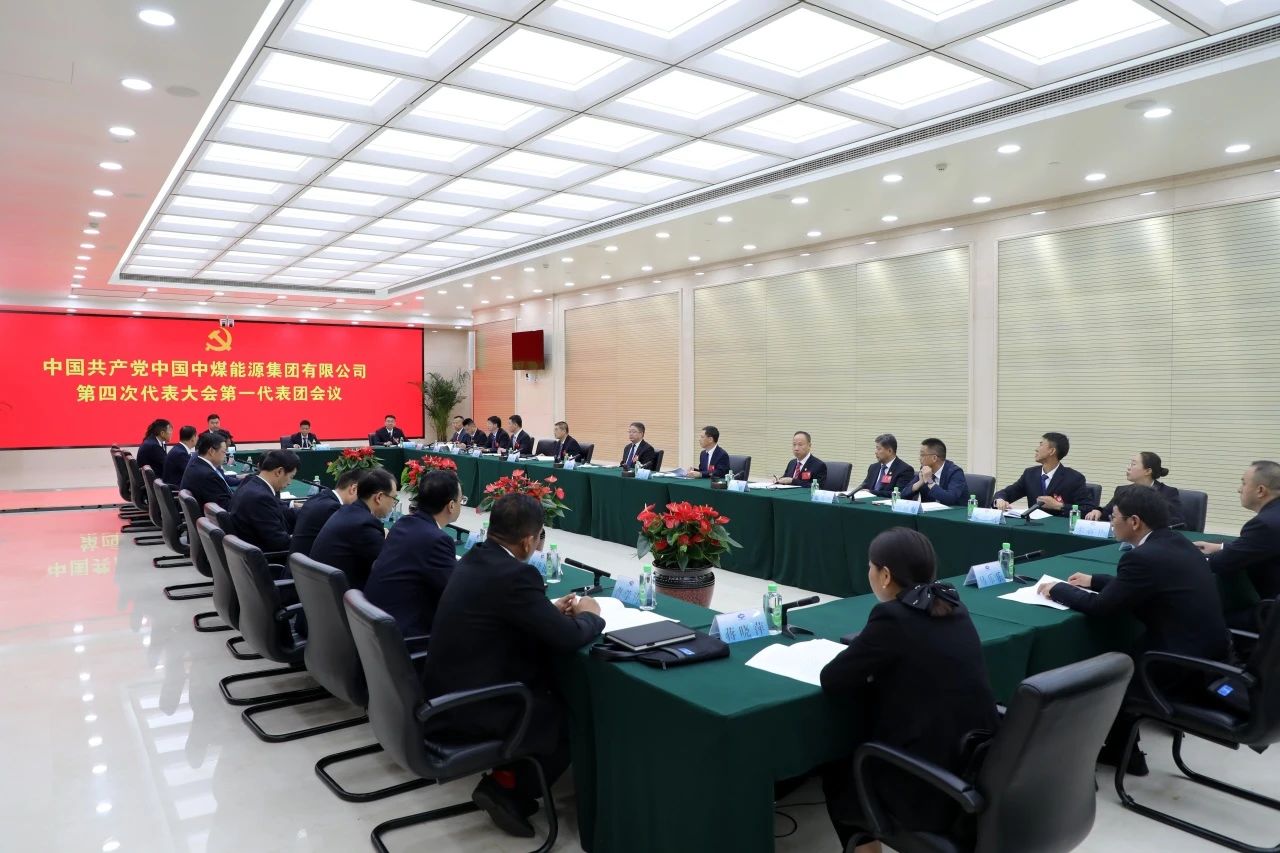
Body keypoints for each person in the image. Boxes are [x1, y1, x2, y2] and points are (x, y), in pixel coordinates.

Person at [423, 493, 603, 838]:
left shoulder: (477, 557)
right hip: (474, 705)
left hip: (445, 691)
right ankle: (509, 790)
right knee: (569, 714)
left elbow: (504, 609)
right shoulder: (516, 575)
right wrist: (590, 616)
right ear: (528, 541)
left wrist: (545, 611)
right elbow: (568, 638)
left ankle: (507, 778)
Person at [819, 528, 998, 851]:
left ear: (885, 575)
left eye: (870, 567)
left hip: (926, 785)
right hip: (974, 768)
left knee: (840, 769)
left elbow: (833, 678)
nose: (869, 574)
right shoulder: (954, 606)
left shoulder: (892, 617)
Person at [1039, 487, 1230, 775]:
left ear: (1135, 522)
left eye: (1114, 517)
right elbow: (1139, 584)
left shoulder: (1142, 557)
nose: (1111, 522)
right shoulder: (1177, 542)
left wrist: (1058, 589)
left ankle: (1125, 755)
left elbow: (1102, 607)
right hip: (1212, 651)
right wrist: (1094, 580)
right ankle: (1124, 750)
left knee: (1108, 675)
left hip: (1178, 662)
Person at [365, 470, 463, 638]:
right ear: (451, 505)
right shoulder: (437, 540)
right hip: (403, 638)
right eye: (461, 500)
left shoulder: (403, 523)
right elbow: (456, 593)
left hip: (374, 627)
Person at [1197, 460, 1280, 616]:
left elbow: (1221, 563)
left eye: (1243, 483)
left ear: (1260, 490)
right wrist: (1221, 547)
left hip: (1269, 613)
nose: (1239, 489)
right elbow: (1262, 546)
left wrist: (1187, 558)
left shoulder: (1264, 524)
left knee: (1202, 613)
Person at [310, 467, 397, 590]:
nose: (393, 504)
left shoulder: (345, 511)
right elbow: (389, 566)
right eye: (394, 498)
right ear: (379, 497)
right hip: (345, 596)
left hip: (322, 593)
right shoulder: (365, 524)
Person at [995, 432, 1095, 516]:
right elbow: (1006, 493)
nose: (1036, 449)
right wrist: (1000, 500)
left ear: (1052, 451)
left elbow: (1088, 508)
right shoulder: (1030, 474)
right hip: (1032, 527)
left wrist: (1059, 506)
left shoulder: (1074, 478)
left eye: (1041, 444)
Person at [228, 449, 299, 554]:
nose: (290, 482)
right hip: (269, 557)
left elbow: (280, 512)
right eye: (291, 477)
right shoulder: (261, 498)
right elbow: (280, 543)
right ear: (279, 471)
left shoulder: (250, 482)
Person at [1087, 451, 1184, 527]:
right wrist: (1098, 511)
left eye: (1133, 464)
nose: (1128, 468)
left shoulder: (1167, 492)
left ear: (1148, 471)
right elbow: (1108, 511)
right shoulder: (1122, 490)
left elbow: (1176, 521)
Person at [289, 468, 362, 557]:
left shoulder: (317, 498)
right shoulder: (334, 509)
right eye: (364, 495)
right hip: (311, 564)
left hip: (298, 563)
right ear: (353, 489)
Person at [901, 438, 968, 505]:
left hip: (953, 511)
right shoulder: (924, 470)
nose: (919, 458)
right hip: (929, 511)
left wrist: (930, 482)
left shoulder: (955, 473)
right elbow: (903, 495)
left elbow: (950, 499)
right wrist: (920, 482)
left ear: (934, 458)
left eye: (922, 455)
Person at [179, 432, 238, 508]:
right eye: (223, 451)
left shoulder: (196, 464)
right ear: (212, 451)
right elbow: (226, 507)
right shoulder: (208, 475)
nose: (225, 455)